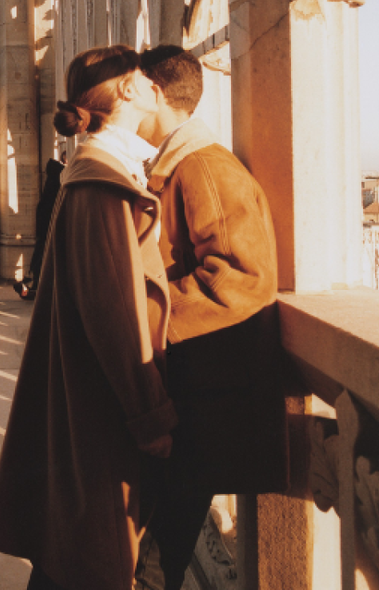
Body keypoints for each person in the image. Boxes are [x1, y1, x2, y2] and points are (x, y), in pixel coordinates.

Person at [0, 44, 175, 590]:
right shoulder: (99, 182)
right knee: (87, 556)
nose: (154, 82)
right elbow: (113, 313)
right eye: (143, 73)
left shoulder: (94, 169)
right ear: (129, 89)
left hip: (84, 402)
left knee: (68, 553)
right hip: (101, 410)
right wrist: (150, 414)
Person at [135, 44, 285, 590]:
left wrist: (146, 321)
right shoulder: (183, 165)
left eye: (131, 91)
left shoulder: (203, 166)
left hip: (201, 405)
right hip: (190, 397)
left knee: (151, 564)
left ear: (153, 92)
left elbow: (242, 280)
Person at [13, 153, 67, 301]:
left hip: (46, 223)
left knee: (41, 253)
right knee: (43, 254)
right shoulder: (60, 177)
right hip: (51, 223)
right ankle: (34, 286)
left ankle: (33, 284)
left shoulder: (55, 176)